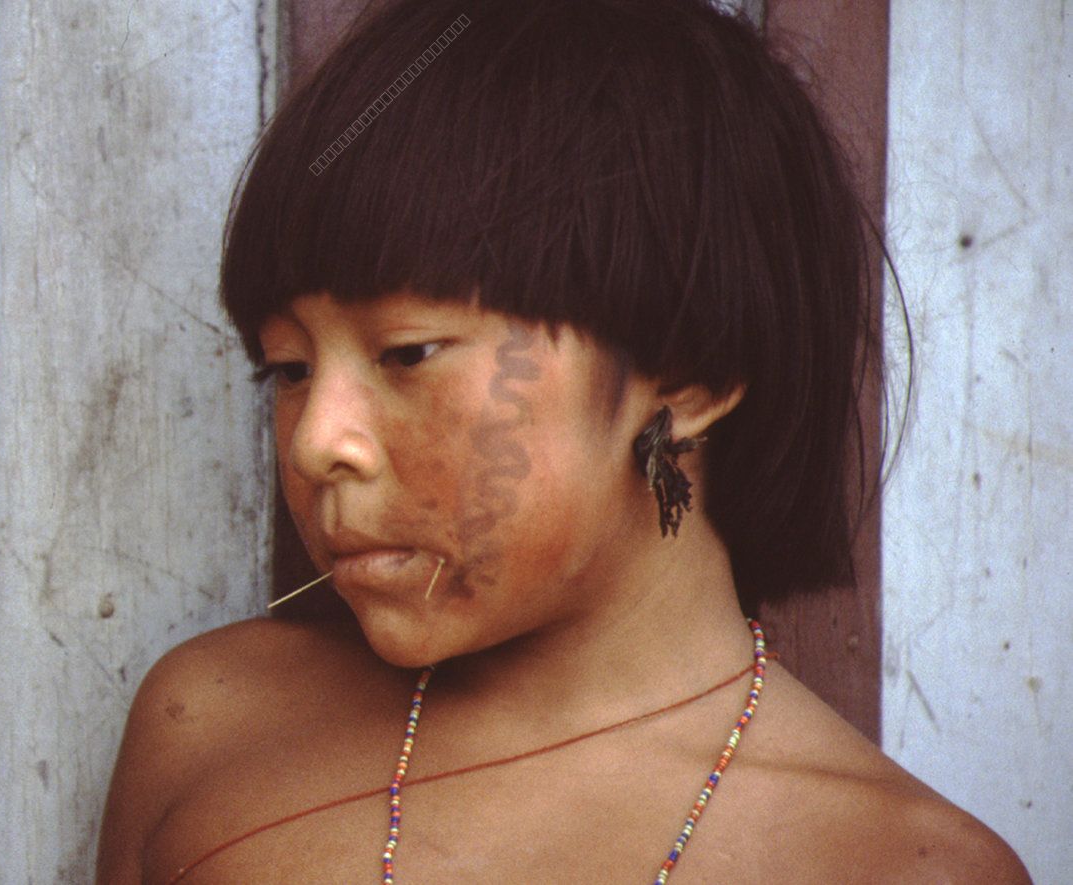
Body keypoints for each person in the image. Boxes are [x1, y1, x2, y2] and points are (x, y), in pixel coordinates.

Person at [96, 0, 1030, 881]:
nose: (315, 444)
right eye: (289, 369)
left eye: (408, 352)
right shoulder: (211, 727)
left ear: (688, 376)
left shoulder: (891, 863)